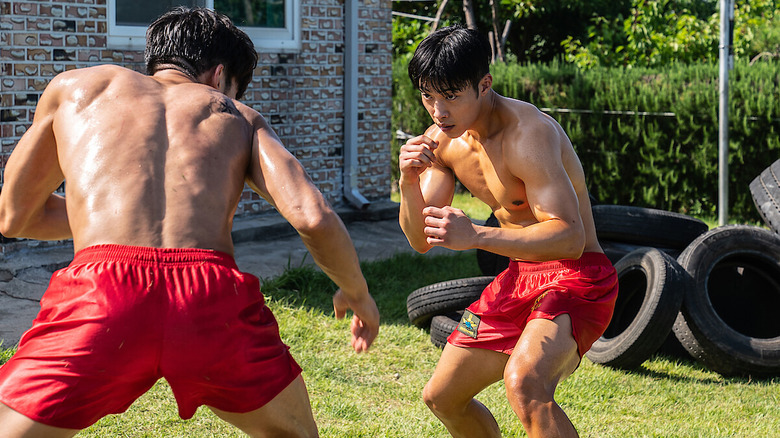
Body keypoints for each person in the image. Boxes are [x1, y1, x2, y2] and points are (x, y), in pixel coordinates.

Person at [0, 7, 379, 437]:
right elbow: (313, 216)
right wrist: (358, 294)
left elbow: (14, 215)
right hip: (208, 297)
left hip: (101, 298)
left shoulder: (75, 90)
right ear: (219, 77)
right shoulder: (236, 115)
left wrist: (107, 218)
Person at [398, 25, 618, 438]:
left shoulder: (527, 133)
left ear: (484, 85)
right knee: (442, 397)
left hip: (578, 275)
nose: (438, 111)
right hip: (519, 276)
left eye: (450, 96)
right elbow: (419, 239)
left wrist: (478, 237)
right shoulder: (441, 142)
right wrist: (407, 183)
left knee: (526, 383)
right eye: (428, 96)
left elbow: (570, 238)